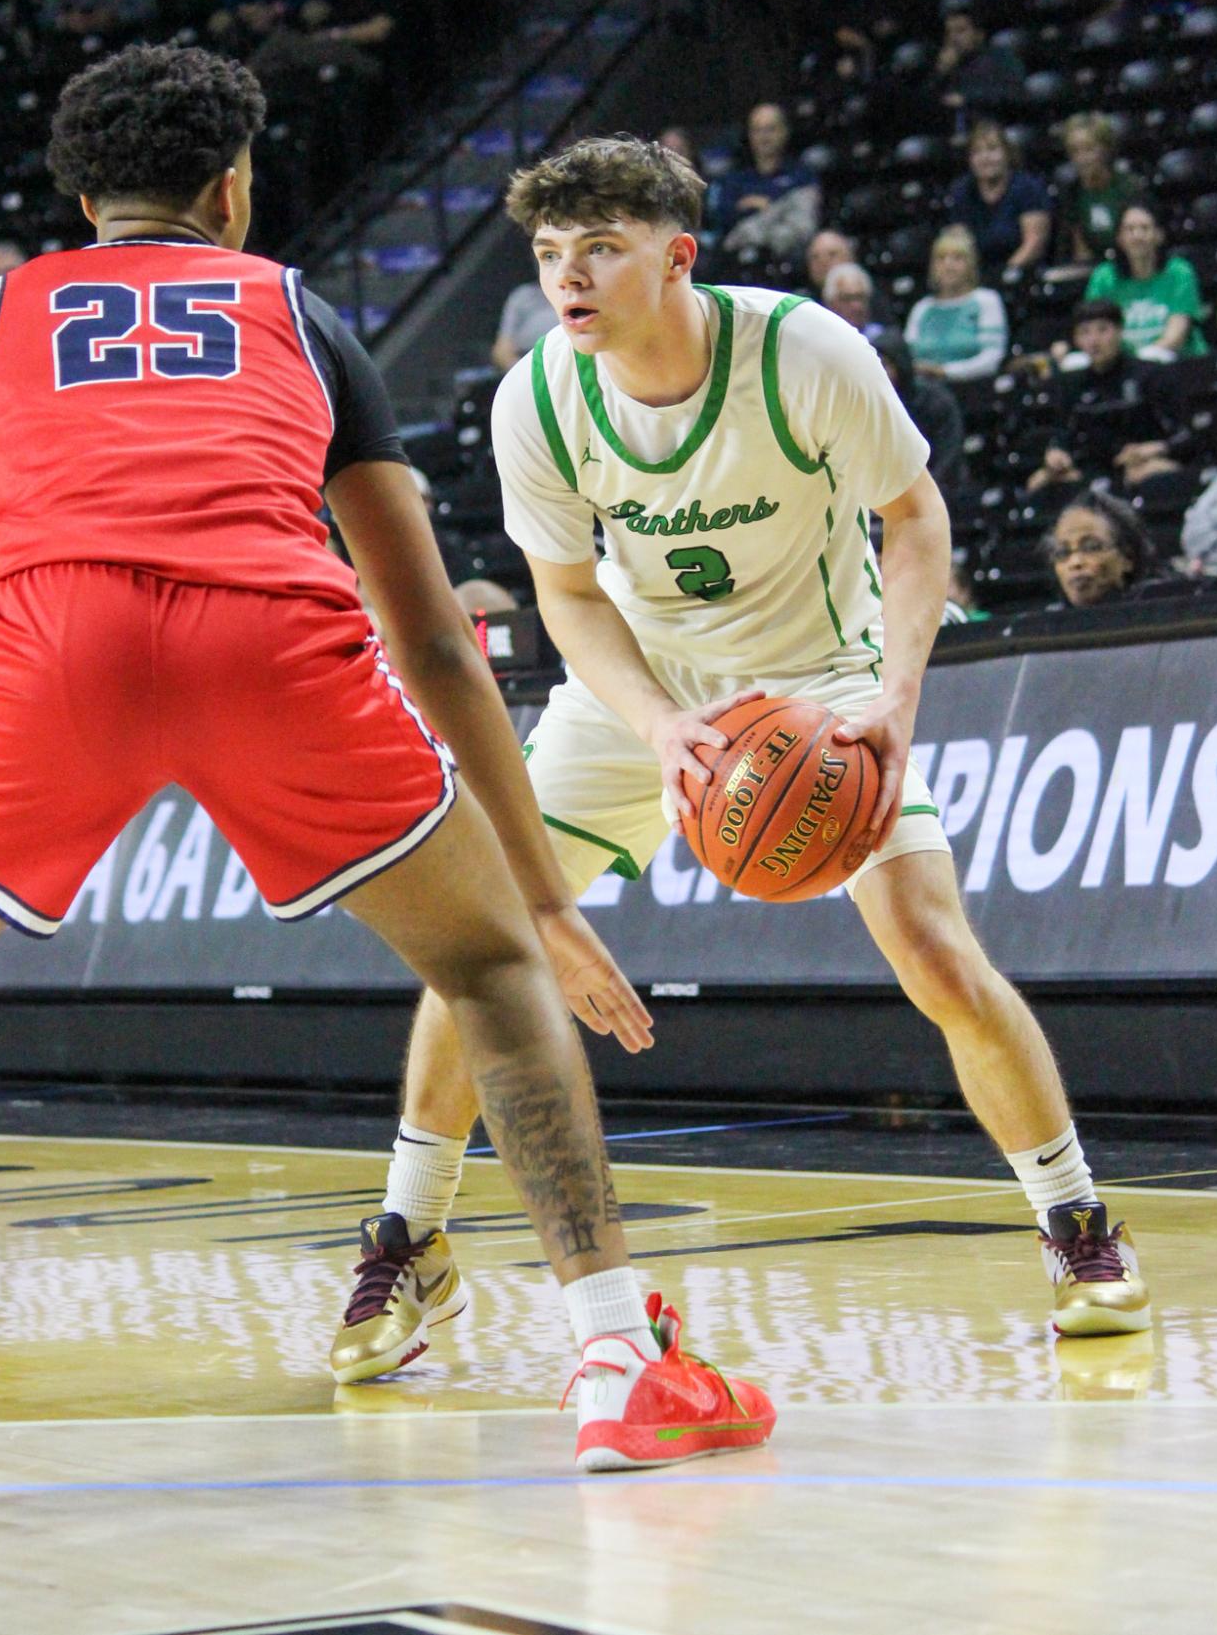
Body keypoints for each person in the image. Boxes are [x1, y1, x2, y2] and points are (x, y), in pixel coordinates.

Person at [0, 44, 769, 1472]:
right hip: (269, 636)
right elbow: (428, 633)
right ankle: (616, 1360)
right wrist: (543, 901)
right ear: (230, 189)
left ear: (80, 194)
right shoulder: (295, 311)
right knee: (487, 973)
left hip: (54, 639)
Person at [333, 133, 1151, 1381]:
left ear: (677, 257)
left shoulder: (803, 351)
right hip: (634, 693)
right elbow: (567, 597)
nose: (569, 277)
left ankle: (1077, 1224)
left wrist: (891, 698)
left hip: (817, 680)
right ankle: (409, 1233)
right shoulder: (537, 397)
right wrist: (664, 730)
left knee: (933, 950)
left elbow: (913, 517)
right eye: (551, 253)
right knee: (486, 941)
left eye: (599, 248)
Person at [1026, 300, 1181, 496]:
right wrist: (1056, 453)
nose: (1094, 340)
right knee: (1038, 482)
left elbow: (1183, 436)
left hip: (1140, 461)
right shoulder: (1070, 384)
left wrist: (1152, 450)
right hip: (1090, 467)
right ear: (1076, 340)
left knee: (1149, 474)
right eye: (1085, 332)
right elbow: (1063, 434)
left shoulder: (1150, 374)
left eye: (1102, 330)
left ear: (1119, 331)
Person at [1083, 201, 1209, 359]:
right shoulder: (1104, 277)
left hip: (1176, 362)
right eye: (1129, 229)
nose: (1137, 236)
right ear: (1119, 238)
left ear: (1159, 235)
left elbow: (1177, 335)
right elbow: (1095, 329)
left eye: (1144, 228)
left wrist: (1141, 363)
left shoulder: (1179, 272)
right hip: (1124, 368)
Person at [704, 101, 820, 265]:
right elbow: (724, 218)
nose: (764, 137)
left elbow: (803, 225)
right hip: (737, 259)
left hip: (787, 259)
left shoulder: (801, 175)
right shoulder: (734, 178)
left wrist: (758, 208)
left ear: (785, 131)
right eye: (757, 130)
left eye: (771, 129)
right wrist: (776, 210)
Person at [871, 326, 969, 500]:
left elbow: (949, 455)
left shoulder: (936, 400)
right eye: (874, 364)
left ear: (901, 364)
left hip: (941, 489)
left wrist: (924, 494)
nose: (880, 372)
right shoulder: (870, 404)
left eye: (885, 364)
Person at [947, 122, 1050, 282]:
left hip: (1022, 274)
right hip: (977, 277)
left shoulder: (1028, 187)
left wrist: (1005, 274)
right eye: (977, 152)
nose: (985, 158)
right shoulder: (961, 191)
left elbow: (1034, 243)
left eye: (992, 149)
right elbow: (958, 243)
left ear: (1007, 154)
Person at [905, 226, 1008, 382]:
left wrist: (945, 372)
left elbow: (992, 358)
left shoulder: (986, 300)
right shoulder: (922, 308)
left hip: (973, 388)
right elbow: (908, 355)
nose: (948, 265)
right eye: (941, 258)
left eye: (958, 258)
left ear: (971, 264)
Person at [1052, 114, 1144, 270]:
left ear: (1106, 149)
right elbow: (1079, 250)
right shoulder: (1071, 192)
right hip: (1092, 271)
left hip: (1128, 266)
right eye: (1075, 151)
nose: (1082, 158)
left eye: (1089, 149)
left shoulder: (1129, 188)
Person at [1043, 490, 1158, 607]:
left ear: (1128, 558)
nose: (1075, 562)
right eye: (1063, 553)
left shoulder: (1160, 614)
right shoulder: (1042, 623)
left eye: (1091, 547)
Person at [932, 4, 1025, 125]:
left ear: (979, 34)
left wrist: (967, 99)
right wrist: (941, 71)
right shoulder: (947, 65)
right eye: (949, 32)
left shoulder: (1001, 58)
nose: (953, 38)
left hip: (997, 125)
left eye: (960, 31)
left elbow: (1013, 94)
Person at [492, 276, 555, 370]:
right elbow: (502, 350)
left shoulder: (576, 296)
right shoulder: (523, 296)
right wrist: (524, 374)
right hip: (525, 364)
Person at [821, 260, 882, 342]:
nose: (857, 306)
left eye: (860, 297)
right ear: (831, 303)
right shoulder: (820, 340)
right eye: (847, 299)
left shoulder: (882, 338)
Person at [804, 227, 857, 299]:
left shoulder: (873, 301)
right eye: (815, 257)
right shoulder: (803, 302)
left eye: (832, 254)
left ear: (850, 258)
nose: (823, 262)